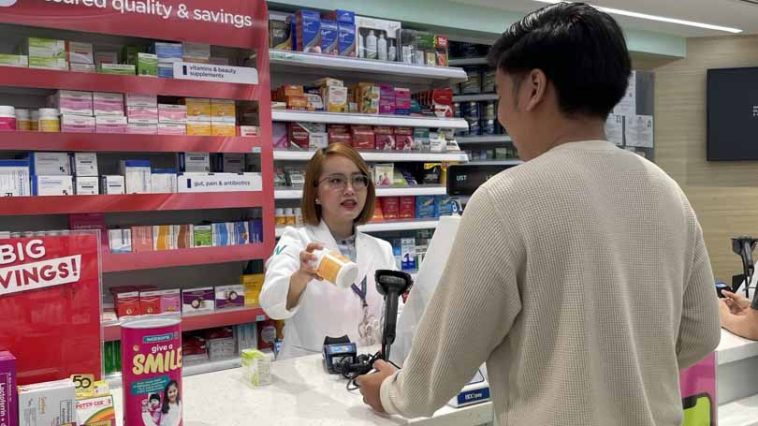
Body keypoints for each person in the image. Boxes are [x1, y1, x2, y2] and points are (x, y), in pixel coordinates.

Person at [356, 3, 721, 425]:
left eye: (500, 94)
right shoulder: (667, 192)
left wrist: (388, 392)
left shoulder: (506, 198)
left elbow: (441, 366)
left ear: (533, 87)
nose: (500, 116)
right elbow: (700, 334)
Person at [260, 143, 396, 359]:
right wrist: (300, 277)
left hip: (369, 365)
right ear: (315, 193)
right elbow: (271, 304)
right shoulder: (296, 242)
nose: (350, 189)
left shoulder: (381, 249)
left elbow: (397, 314)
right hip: (311, 370)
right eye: (336, 181)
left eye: (358, 179)